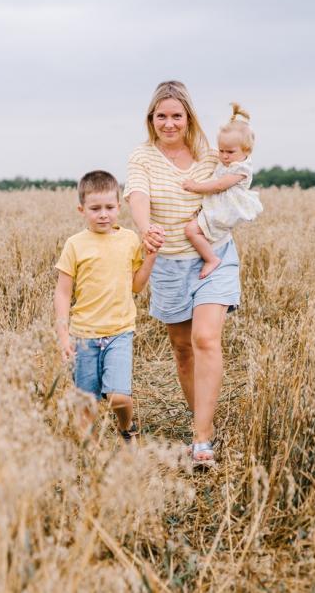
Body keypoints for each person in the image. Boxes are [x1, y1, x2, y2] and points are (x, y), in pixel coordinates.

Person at [124, 81, 242, 467]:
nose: (169, 123)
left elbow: (240, 172)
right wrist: (145, 228)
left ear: (187, 117)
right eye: (162, 116)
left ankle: (201, 439)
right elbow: (137, 196)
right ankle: (201, 418)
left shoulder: (210, 156)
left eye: (177, 115)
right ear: (151, 120)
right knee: (182, 349)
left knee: (206, 338)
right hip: (170, 263)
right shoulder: (141, 158)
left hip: (214, 257)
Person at [53, 170, 160, 440]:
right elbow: (63, 293)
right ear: (82, 209)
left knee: (119, 397)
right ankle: (90, 458)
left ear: (119, 207)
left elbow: (136, 286)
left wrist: (150, 258)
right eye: (95, 208)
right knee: (86, 404)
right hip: (84, 336)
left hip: (119, 332)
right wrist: (63, 334)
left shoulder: (129, 240)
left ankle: (127, 428)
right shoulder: (75, 245)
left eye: (110, 207)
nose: (103, 214)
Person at [182, 103, 263, 279]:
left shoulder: (241, 169)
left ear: (246, 150)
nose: (224, 156)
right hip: (216, 205)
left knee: (190, 230)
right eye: (221, 151)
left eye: (230, 152)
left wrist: (194, 186)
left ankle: (211, 259)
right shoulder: (229, 162)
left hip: (224, 211)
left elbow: (219, 186)